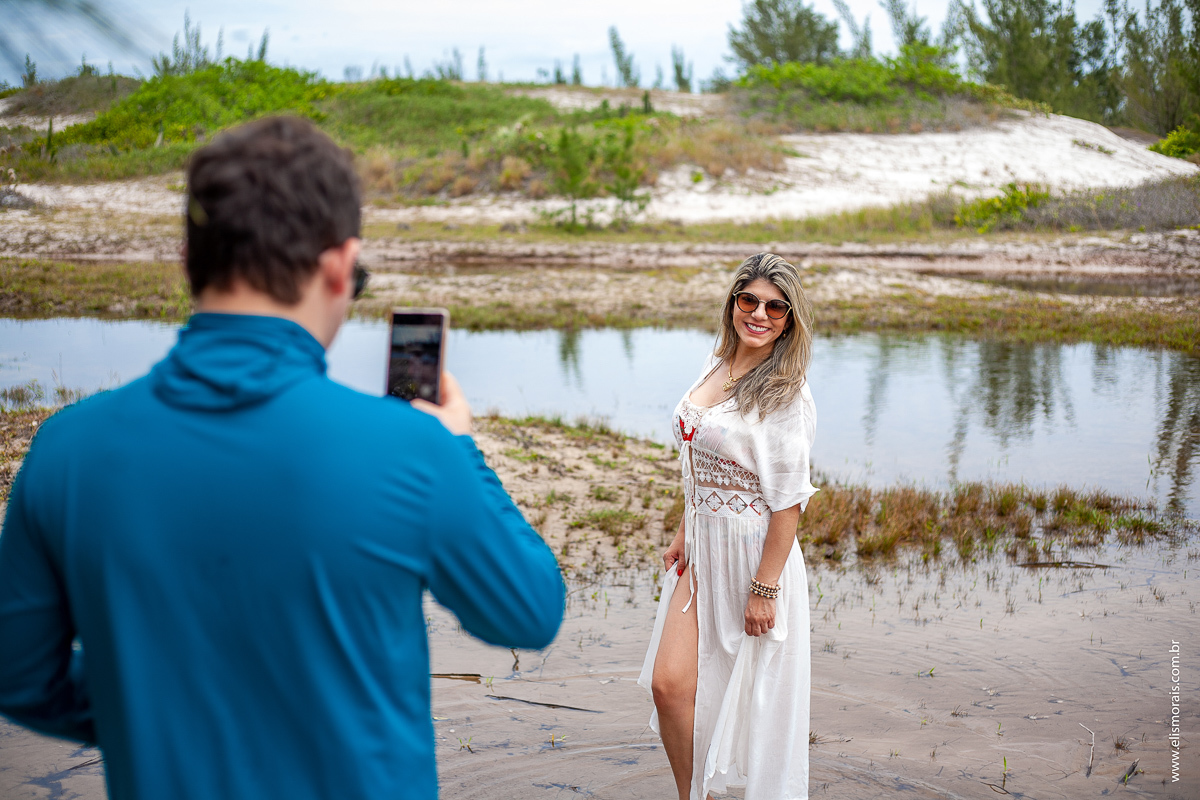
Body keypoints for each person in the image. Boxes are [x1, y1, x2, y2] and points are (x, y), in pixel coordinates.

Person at [0, 116, 564, 800]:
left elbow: (19, 676)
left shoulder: (66, 448)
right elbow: (528, 612)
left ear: (188, 257)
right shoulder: (410, 450)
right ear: (337, 264)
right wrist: (459, 449)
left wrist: (159, 712)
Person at [638, 253, 818, 800]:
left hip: (754, 561)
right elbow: (701, 460)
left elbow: (788, 505)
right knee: (669, 687)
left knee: (749, 701)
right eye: (749, 300)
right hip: (702, 549)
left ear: (789, 319)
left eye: (775, 307)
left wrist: (764, 590)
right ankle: (693, 796)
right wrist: (684, 528)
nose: (758, 314)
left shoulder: (787, 395)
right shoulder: (714, 362)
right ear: (733, 302)